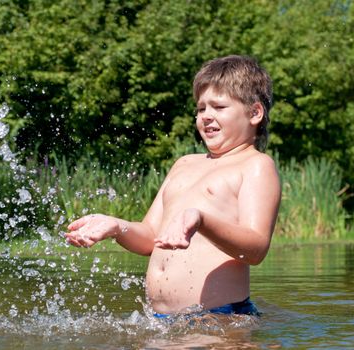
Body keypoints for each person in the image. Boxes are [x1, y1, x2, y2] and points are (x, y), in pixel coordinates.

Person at [65, 55, 281, 319]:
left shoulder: (255, 165)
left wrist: (201, 220)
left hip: (222, 319)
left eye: (219, 107)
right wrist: (116, 226)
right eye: (201, 109)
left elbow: (255, 249)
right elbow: (150, 237)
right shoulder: (184, 164)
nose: (206, 117)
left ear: (254, 113)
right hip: (161, 322)